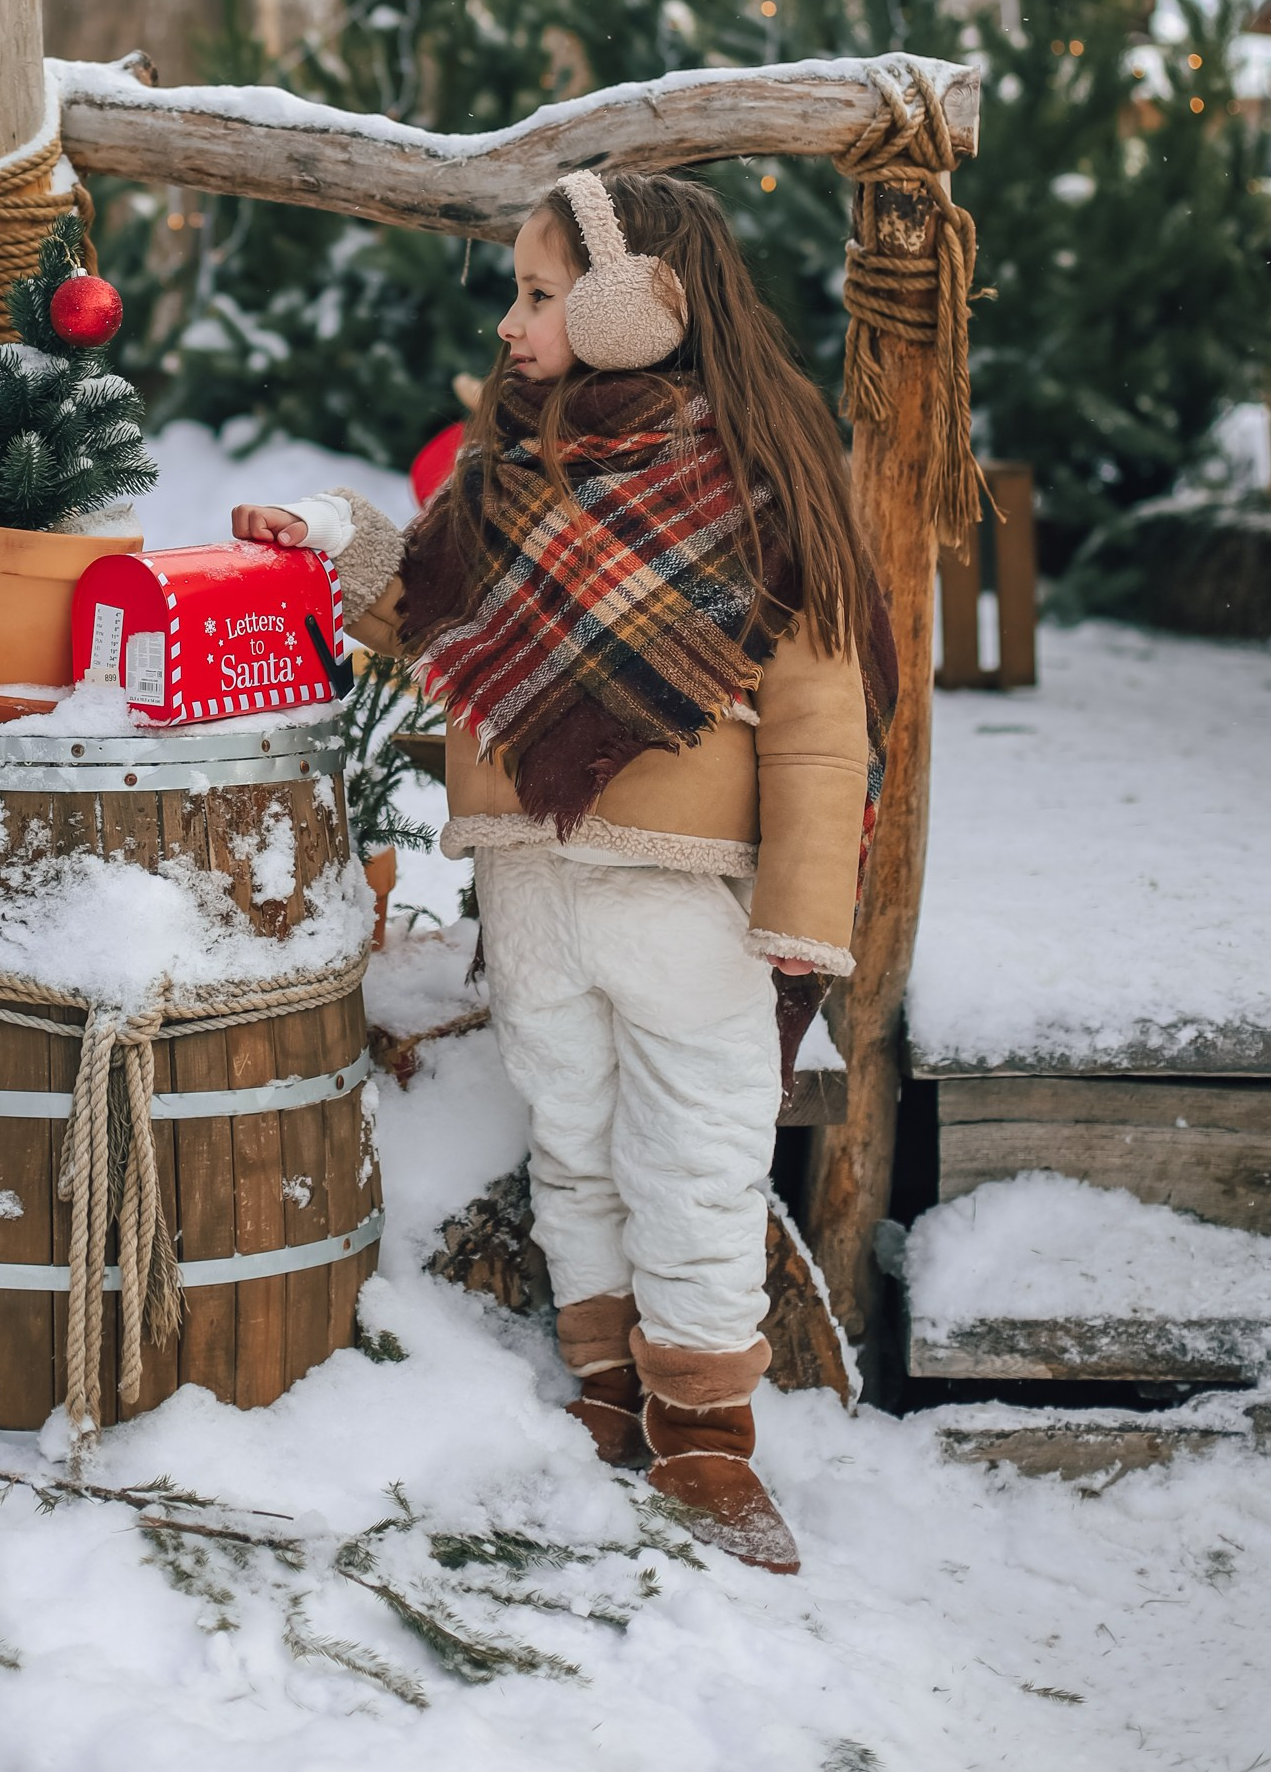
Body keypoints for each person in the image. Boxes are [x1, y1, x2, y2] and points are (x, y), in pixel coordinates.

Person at [233, 167, 893, 1574]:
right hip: (527, 882)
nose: (512, 328)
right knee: (575, 1146)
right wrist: (337, 541)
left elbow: (825, 727)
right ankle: (605, 1388)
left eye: (541, 297)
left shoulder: (759, 493)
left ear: (636, 303)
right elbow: (415, 611)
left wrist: (801, 919)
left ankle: (706, 1431)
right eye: (519, 297)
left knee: (700, 1154)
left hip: (682, 896)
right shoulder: (506, 481)